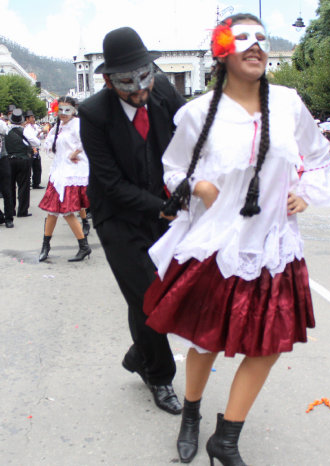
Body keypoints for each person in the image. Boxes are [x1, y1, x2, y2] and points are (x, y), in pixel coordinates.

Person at [143, 13, 330, 465]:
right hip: (218, 245)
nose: (256, 45)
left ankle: (227, 438)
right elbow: (174, 167)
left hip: (274, 246)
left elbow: (317, 157)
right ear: (222, 51)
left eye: (262, 37)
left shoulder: (289, 103)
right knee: (206, 341)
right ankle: (192, 414)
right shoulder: (198, 112)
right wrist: (197, 186)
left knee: (269, 346)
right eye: (243, 38)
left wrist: (303, 193)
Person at [78, 27, 185, 415]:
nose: (140, 92)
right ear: (108, 80)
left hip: (165, 207)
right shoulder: (93, 114)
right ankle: (159, 375)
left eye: (145, 78)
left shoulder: (163, 93)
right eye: (128, 84)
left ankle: (139, 351)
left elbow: (191, 137)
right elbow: (109, 181)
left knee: (165, 291)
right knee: (147, 295)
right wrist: (160, 206)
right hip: (118, 216)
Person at [38, 96, 91, 262]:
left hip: (71, 174)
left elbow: (88, 140)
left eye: (67, 109)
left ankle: (84, 246)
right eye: (60, 109)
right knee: (52, 211)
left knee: (66, 212)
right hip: (58, 173)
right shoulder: (58, 126)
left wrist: (75, 153)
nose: (63, 113)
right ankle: (45, 246)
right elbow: (50, 146)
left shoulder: (77, 124)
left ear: (74, 110)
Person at [5, 108, 39, 218]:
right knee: (23, 185)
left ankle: (11, 210)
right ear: (21, 120)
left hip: (9, 160)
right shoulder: (25, 131)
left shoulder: (5, 130)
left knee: (10, 186)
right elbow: (36, 142)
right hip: (23, 160)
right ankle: (22, 210)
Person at [24, 110, 44, 189]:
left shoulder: (35, 126)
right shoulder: (26, 127)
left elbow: (39, 135)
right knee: (28, 167)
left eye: (33, 117)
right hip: (29, 148)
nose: (33, 119)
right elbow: (31, 138)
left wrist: (41, 133)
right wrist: (38, 137)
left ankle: (36, 183)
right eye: (31, 117)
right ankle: (27, 183)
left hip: (35, 149)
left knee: (37, 166)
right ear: (27, 119)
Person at [0, 118, 14, 228]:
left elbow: (5, 130)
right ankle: (0, 216)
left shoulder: (2, 125)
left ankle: (9, 218)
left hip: (2, 160)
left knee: (6, 191)